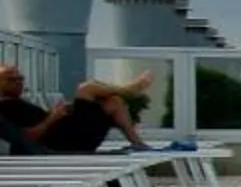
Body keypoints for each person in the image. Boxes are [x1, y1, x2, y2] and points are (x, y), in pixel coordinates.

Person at [0, 64, 155, 155]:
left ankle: (138, 143)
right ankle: (129, 90)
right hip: (65, 143)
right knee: (86, 88)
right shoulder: (4, 109)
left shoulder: (18, 102)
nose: (18, 82)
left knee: (114, 102)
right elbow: (25, 139)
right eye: (11, 79)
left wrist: (60, 113)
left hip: (70, 133)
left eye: (20, 78)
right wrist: (52, 118)